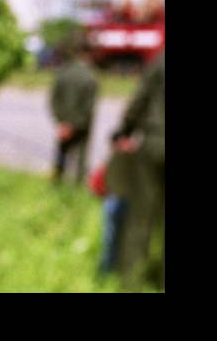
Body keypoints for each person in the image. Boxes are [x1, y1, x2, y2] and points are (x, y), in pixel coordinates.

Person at [106, 50, 164, 290]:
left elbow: (140, 99)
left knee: (140, 217)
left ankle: (130, 283)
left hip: (153, 143)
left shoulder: (161, 60)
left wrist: (124, 131)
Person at [49, 36, 99, 186]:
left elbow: (54, 99)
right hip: (81, 127)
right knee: (80, 159)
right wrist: (74, 124)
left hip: (63, 124)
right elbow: (88, 107)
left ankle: (55, 184)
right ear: (88, 53)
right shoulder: (90, 77)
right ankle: (77, 189)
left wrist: (62, 122)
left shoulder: (62, 72)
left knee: (61, 155)